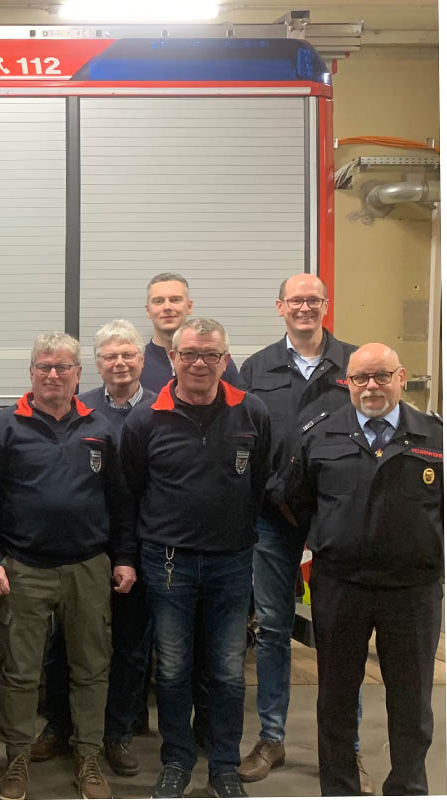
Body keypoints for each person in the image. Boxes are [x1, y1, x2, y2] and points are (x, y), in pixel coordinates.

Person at [0, 332, 135, 800]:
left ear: (79, 374)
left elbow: (121, 501)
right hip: (23, 567)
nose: (53, 374)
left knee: (91, 668)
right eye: (44, 366)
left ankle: (88, 756)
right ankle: (17, 759)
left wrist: (124, 558)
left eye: (63, 366)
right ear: (31, 373)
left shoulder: (101, 428)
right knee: (21, 673)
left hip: (89, 567)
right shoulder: (4, 427)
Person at [280, 343, 442, 796]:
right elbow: (297, 500)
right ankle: (340, 788)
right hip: (341, 585)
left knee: (412, 700)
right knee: (335, 697)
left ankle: (408, 786)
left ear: (401, 376)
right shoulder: (320, 435)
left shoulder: (435, 436)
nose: (371, 386)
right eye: (360, 378)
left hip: (413, 590)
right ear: (347, 382)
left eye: (381, 376)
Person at [119, 318, 271, 798]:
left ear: (226, 360)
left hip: (231, 562)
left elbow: (260, 483)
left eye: (210, 355)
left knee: (227, 669)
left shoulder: (253, 413)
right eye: (189, 355)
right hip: (168, 564)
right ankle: (177, 761)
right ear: (174, 359)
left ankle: (223, 764)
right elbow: (129, 492)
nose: (199, 363)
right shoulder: (145, 419)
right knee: (171, 668)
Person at [235, 275, 361, 786]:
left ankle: (345, 748)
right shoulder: (256, 367)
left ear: (325, 306)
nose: (305, 308)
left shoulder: (355, 364)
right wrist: (273, 497)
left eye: (314, 300)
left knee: (341, 635)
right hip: (273, 519)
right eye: (296, 300)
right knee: (271, 629)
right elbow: (242, 438)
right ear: (280, 306)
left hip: (337, 521)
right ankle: (271, 739)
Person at [35, 320, 156, 778]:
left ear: (142, 360)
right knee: (64, 644)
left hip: (135, 544)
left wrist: (127, 552)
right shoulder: (78, 409)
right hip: (80, 549)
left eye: (127, 354)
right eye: (110, 356)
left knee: (127, 645)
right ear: (95, 366)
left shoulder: (159, 410)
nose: (119, 363)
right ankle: (59, 726)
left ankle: (116, 733)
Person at [140, 273, 240, 392]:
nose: (167, 307)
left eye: (175, 300)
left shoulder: (216, 361)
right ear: (148, 310)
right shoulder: (136, 364)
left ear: (189, 306)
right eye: (158, 301)